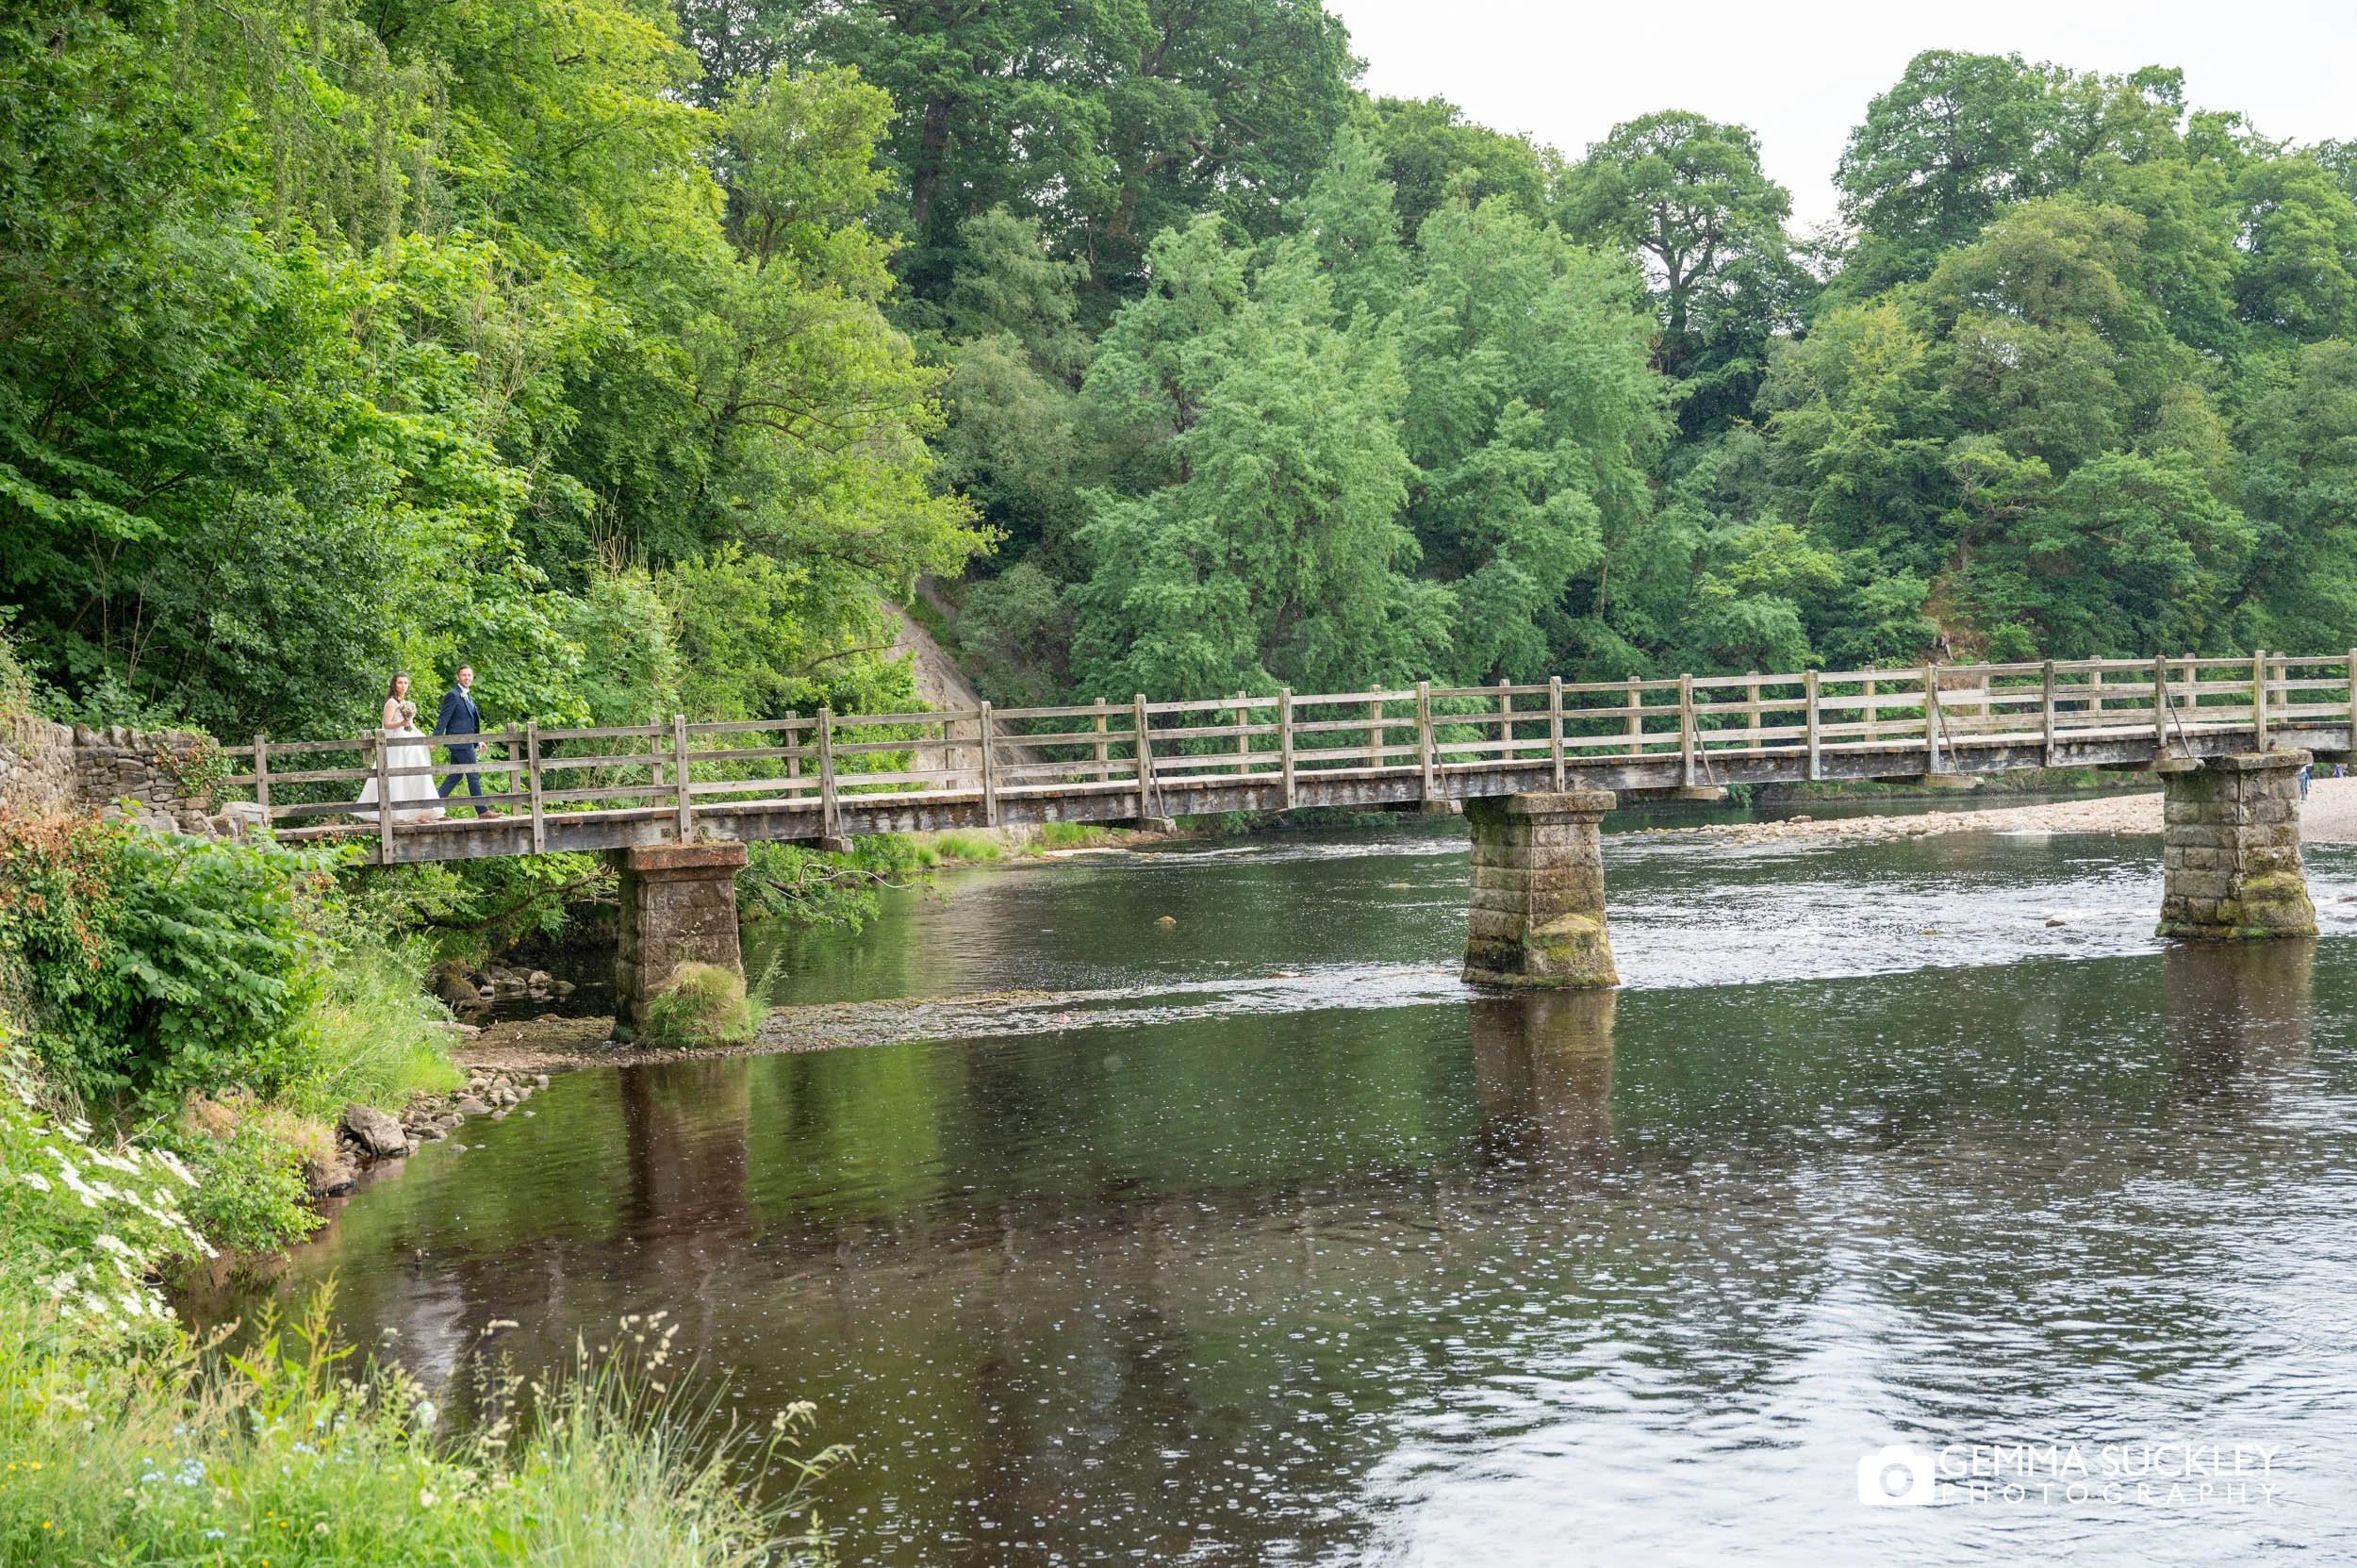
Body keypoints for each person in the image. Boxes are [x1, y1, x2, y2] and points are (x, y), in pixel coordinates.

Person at [354, 673, 444, 823]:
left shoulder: (406, 702)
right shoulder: (391, 703)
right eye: (400, 683)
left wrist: (425, 739)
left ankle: (419, 811)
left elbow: (412, 725)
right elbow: (387, 723)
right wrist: (401, 724)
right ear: (394, 684)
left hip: (409, 740)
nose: (403, 686)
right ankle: (397, 812)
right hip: (397, 741)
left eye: (406, 683)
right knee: (398, 777)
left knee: (416, 772)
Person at [433, 665, 497, 816]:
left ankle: (432, 807)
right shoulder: (453, 695)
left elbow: (469, 723)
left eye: (469, 675)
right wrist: (435, 739)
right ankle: (482, 811)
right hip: (459, 742)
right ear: (457, 677)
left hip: (467, 742)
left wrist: (478, 740)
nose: (467, 678)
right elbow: (444, 718)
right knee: (473, 774)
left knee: (455, 775)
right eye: (464, 675)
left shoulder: (468, 696)